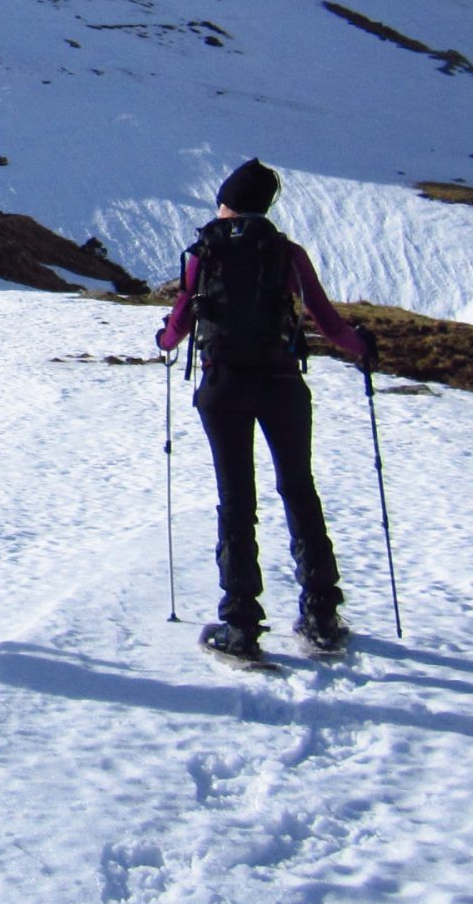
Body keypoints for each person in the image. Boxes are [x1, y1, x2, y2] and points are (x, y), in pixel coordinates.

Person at [155, 160, 377, 661]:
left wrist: (164, 339)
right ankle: (321, 614)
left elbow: (181, 319)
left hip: (223, 386)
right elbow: (325, 318)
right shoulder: (286, 253)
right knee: (298, 488)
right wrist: (359, 347)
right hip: (281, 383)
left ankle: (241, 626)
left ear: (228, 201)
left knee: (236, 501)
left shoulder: (203, 252)